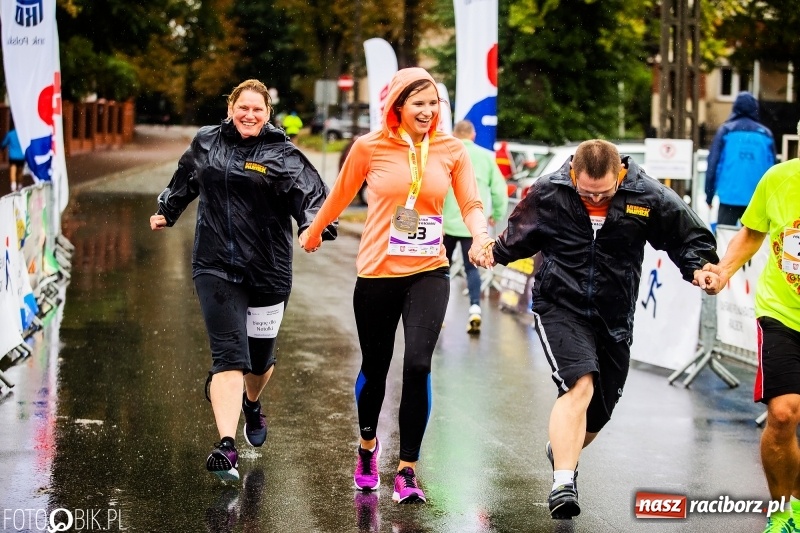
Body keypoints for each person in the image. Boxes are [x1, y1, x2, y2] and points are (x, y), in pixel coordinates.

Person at [473, 139, 718, 519]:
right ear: (573, 174)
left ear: (619, 174)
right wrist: (493, 252)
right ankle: (563, 483)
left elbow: (687, 237)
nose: (596, 200)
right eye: (587, 192)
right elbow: (520, 234)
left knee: (598, 414)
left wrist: (700, 266)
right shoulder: (550, 192)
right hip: (559, 305)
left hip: (614, 316)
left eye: (604, 193)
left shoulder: (647, 195)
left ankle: (563, 448)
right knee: (579, 384)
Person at [298, 67, 492, 504]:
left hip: (429, 270)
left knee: (419, 364)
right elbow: (341, 194)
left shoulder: (452, 150)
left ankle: (408, 468)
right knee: (376, 366)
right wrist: (314, 230)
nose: (427, 111)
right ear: (398, 106)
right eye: (418, 103)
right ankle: (368, 449)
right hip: (377, 273)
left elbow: (471, 203)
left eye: (434, 103)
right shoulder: (369, 147)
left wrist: (480, 235)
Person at [149, 79, 336, 482]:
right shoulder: (207, 142)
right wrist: (168, 209)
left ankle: (252, 402)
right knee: (229, 356)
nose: (249, 114)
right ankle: (226, 446)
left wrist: (312, 227)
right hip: (215, 264)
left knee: (259, 360)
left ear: (268, 114)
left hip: (268, 270)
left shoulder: (283, 154)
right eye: (243, 107)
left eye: (258, 109)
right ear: (231, 106)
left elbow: (311, 196)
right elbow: (185, 179)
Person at [700, 120, 800, 533]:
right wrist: (722, 272)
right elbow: (751, 233)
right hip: (782, 312)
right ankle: (782, 512)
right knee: (783, 414)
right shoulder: (779, 180)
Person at [443, 119, 507, 334]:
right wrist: (496, 214)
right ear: (472, 135)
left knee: (440, 269)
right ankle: (475, 309)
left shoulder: (445, 153)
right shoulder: (485, 158)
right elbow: (499, 190)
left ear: (454, 134)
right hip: (473, 224)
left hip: (445, 223)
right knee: (472, 269)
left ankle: (438, 312)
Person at [705, 91, 776, 226]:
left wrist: (709, 196)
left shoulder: (726, 130)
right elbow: (772, 169)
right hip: (756, 201)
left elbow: (713, 164)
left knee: (725, 241)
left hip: (729, 198)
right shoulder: (766, 134)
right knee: (753, 244)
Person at [2, 126, 24, 192]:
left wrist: (2, 148)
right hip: (22, 156)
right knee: (20, 171)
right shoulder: (22, 134)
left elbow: (4, 143)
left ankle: (13, 186)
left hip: (13, 156)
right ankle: (20, 185)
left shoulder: (10, 134)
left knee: (13, 170)